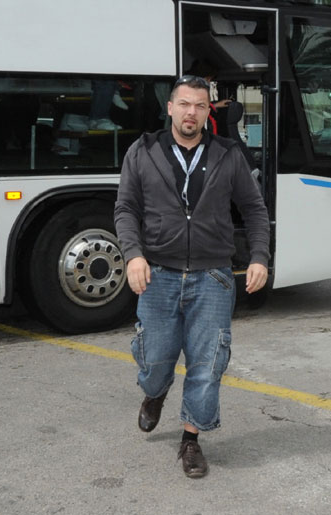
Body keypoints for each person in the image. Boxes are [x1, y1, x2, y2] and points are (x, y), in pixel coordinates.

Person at [114, 74, 271, 479]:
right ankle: (155, 393)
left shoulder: (227, 153)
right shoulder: (143, 151)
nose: (191, 113)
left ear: (208, 112)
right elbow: (126, 209)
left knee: (207, 364)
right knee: (155, 362)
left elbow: (253, 210)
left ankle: (191, 440)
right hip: (158, 276)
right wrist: (133, 255)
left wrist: (259, 257)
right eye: (184, 104)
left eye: (200, 106)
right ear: (170, 107)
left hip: (213, 277)